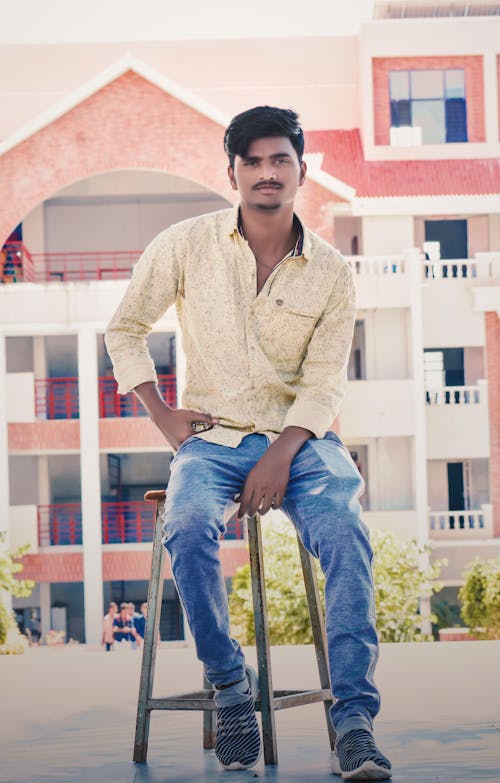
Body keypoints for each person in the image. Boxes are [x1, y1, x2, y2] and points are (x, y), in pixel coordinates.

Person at [105, 106, 391, 780]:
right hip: (212, 436)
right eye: (253, 161)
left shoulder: (330, 270)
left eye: (280, 160)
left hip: (301, 438)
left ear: (302, 168)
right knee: (188, 521)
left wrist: (281, 452)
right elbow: (125, 328)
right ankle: (232, 687)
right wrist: (163, 416)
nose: (267, 173)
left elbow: (324, 381)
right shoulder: (186, 243)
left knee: (347, 533)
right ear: (231, 171)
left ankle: (353, 719)